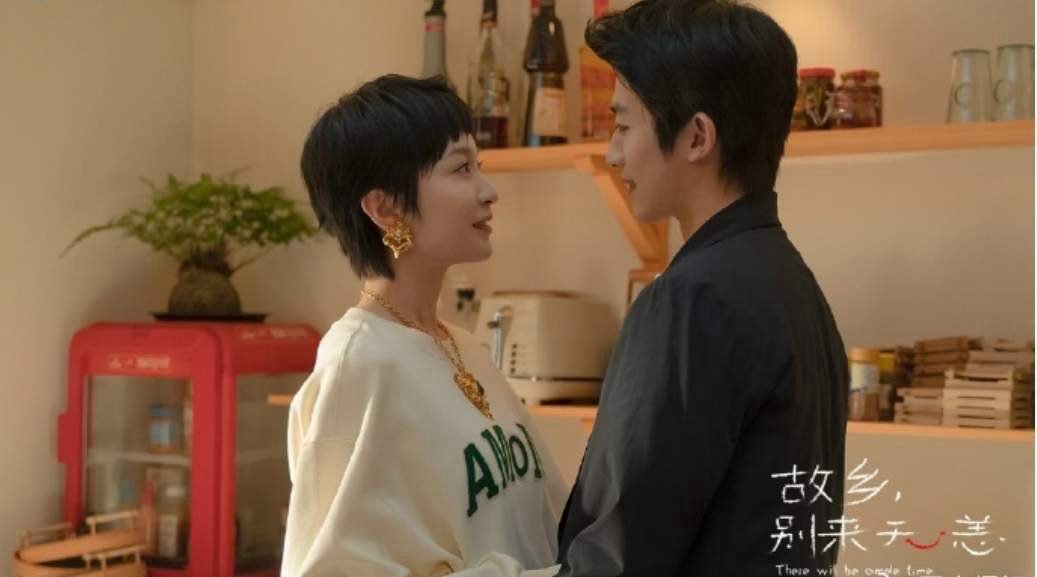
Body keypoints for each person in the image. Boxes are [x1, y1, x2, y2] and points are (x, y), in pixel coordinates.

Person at [555, 1, 849, 575]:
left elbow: (622, 554)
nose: (612, 153)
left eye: (623, 125)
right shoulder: (795, 285)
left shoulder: (691, 299)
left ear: (697, 137)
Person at [283, 74, 565, 577]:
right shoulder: (360, 366)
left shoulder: (463, 346)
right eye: (461, 168)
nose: (488, 191)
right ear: (385, 208)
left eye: (479, 166)